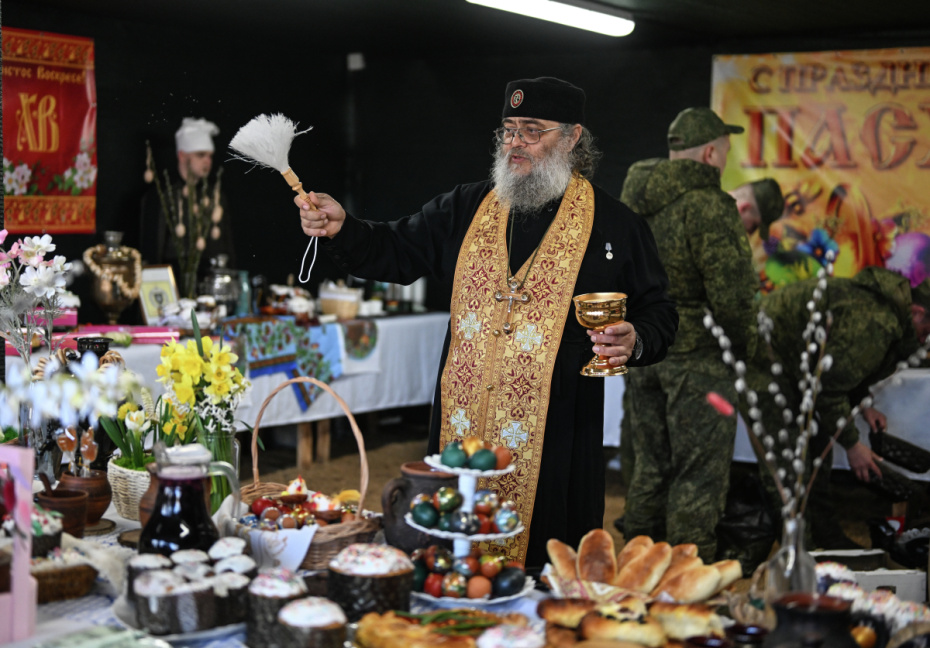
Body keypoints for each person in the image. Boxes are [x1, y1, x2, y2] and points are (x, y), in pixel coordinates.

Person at [295, 77, 679, 568]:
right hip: (462, 429)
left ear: (572, 137)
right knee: (450, 561)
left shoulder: (615, 226)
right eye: (509, 130)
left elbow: (660, 312)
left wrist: (637, 338)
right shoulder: (466, 206)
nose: (515, 142)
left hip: (557, 437)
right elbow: (394, 250)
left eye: (532, 131)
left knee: (545, 567)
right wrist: (342, 227)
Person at [619, 107, 758, 562]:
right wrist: (746, 349)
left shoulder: (632, 197)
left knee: (648, 464)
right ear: (712, 152)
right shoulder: (711, 207)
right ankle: (688, 572)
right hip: (697, 360)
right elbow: (734, 298)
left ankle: (638, 559)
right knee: (698, 472)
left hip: (641, 349)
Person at [736, 267, 930, 562]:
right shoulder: (878, 323)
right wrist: (853, 447)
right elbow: (827, 389)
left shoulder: (885, 314)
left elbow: (839, 365)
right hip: (763, 362)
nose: (926, 338)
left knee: (818, 454)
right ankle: (802, 555)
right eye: (928, 329)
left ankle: (827, 538)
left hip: (796, 369)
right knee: (787, 465)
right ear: (917, 313)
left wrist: (863, 404)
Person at [140, 117, 237, 293]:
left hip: (210, 286)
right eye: (200, 155)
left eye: (210, 156)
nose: (207, 161)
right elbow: (153, 250)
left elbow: (227, 245)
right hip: (173, 284)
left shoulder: (216, 196)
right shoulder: (163, 195)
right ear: (182, 155)